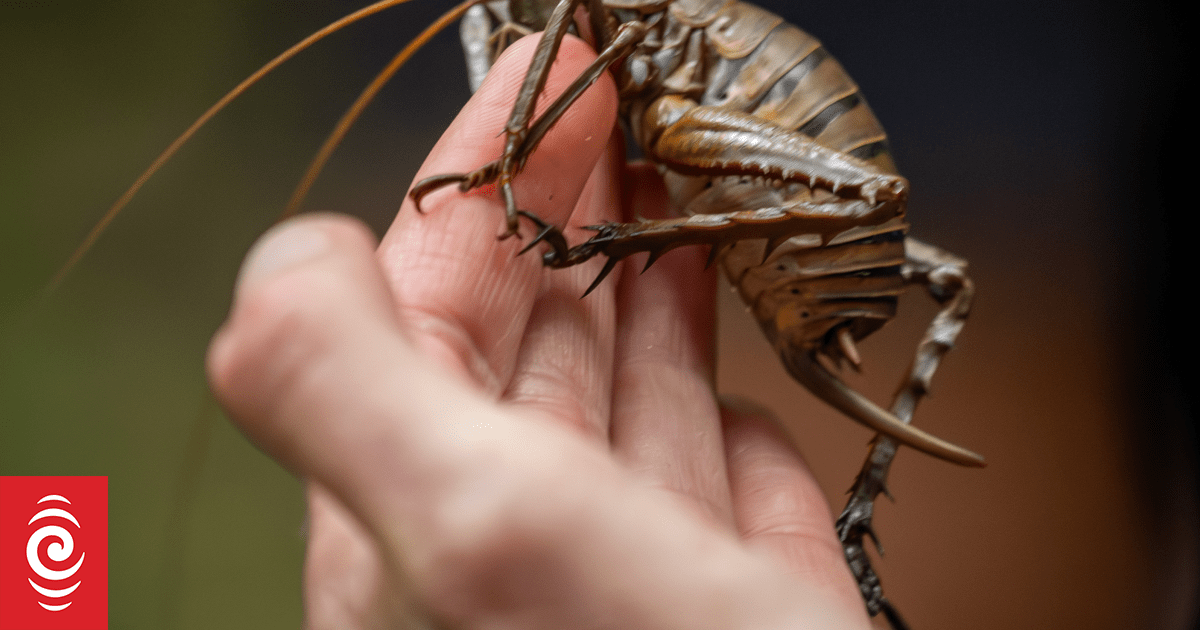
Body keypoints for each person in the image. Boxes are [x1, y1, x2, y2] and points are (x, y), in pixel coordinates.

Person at [206, 34, 873, 630]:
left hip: (832, 215)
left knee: (667, 137)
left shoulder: (628, 42)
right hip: (797, 196)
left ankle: (859, 521)